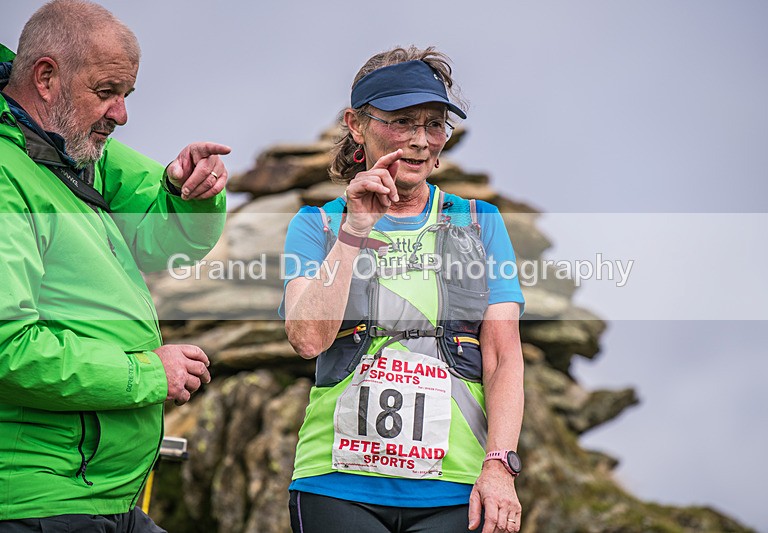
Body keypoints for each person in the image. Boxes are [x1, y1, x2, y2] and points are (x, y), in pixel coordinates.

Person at [0, 1, 228, 531]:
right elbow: (8, 347)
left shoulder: (79, 150)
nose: (121, 115)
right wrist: (150, 373)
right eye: (106, 93)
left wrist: (185, 191)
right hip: (38, 499)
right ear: (47, 77)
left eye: (126, 96)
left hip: (105, 497)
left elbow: (166, 241)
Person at [281, 46, 525, 533]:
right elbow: (308, 339)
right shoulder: (318, 226)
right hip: (336, 483)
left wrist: (499, 466)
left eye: (434, 124)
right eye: (401, 121)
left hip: (456, 488)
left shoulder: (480, 223)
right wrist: (354, 231)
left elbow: (502, 355)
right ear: (356, 124)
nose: (419, 141)